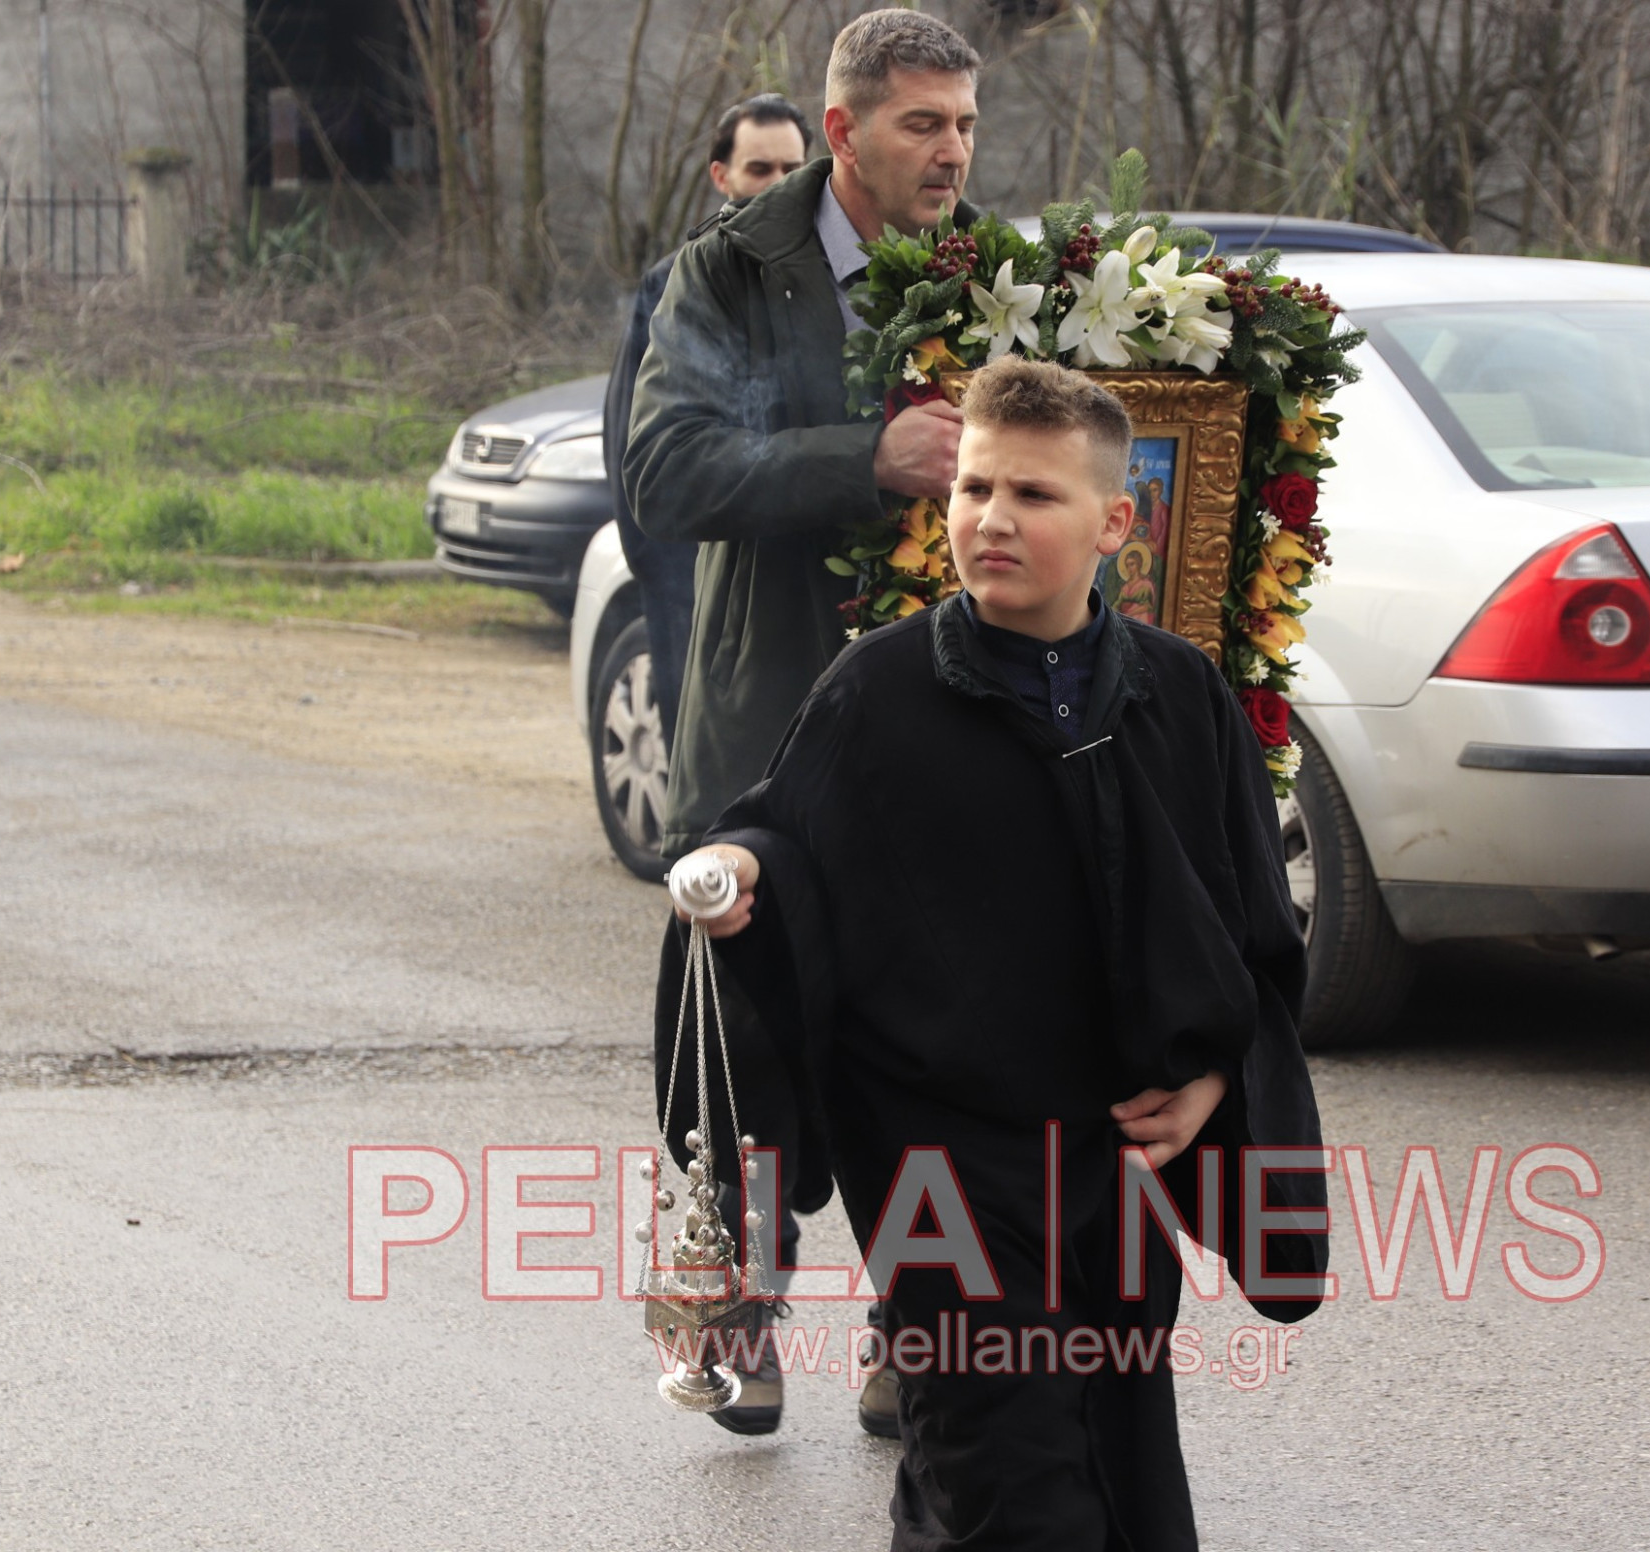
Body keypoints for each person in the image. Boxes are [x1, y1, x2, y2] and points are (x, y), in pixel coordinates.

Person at [659, 357, 1331, 1551]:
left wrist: (1216, 1078)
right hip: (938, 1162)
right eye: (973, 488)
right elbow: (782, 831)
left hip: (1114, 1164)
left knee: (1109, 1459)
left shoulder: (1177, 697)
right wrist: (747, 875)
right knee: (1009, 1473)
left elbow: (1252, 941)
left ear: (1116, 524)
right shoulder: (880, 692)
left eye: (1031, 494)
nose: (989, 520)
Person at [623, 9, 987, 1439]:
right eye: (921, 123)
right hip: (772, 721)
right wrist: (864, 459)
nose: (951, 150)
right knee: (755, 1038)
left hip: (946, 723)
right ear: (843, 132)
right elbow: (666, 468)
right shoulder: (727, 271)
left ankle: (922, 1328)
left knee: (937, 1038)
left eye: (963, 123)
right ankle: (742, 1321)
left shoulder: (996, 272)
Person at [600, 93, 812, 748]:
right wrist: (675, 587)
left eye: (792, 169)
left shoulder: (825, 282)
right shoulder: (677, 285)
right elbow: (634, 453)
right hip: (697, 577)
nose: (778, 186)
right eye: (759, 170)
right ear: (721, 177)